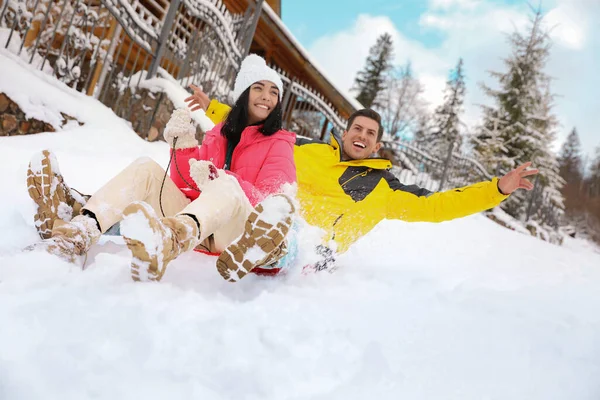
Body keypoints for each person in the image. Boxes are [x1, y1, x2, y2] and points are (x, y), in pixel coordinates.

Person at [186, 90, 539, 272]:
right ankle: (174, 230)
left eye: (370, 133)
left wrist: (497, 189)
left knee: (289, 237)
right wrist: (214, 109)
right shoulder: (309, 149)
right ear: (345, 132)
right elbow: (261, 134)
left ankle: (252, 252)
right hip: (263, 220)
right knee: (232, 192)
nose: (362, 135)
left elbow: (438, 206)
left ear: (377, 144)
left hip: (304, 252)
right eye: (357, 128)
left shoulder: (384, 189)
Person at [26, 54, 297, 282]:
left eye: (274, 92)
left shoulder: (280, 142)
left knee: (225, 184)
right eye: (259, 88)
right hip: (196, 227)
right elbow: (184, 184)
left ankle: (168, 241)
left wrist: (220, 178)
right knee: (146, 167)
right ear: (244, 93)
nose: (267, 97)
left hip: (236, 234)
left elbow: (273, 202)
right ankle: (78, 233)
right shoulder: (219, 133)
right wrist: (182, 147)